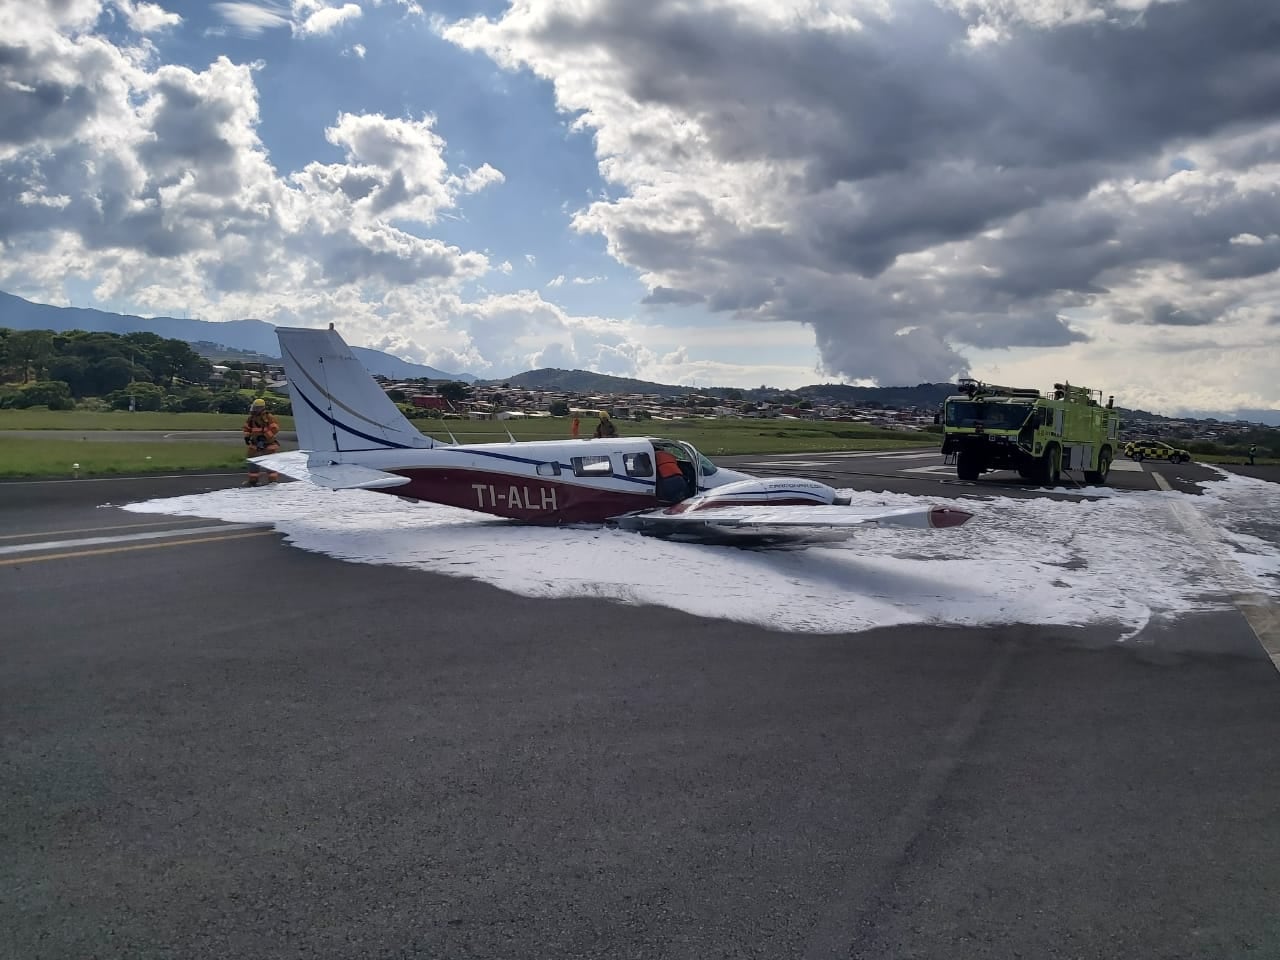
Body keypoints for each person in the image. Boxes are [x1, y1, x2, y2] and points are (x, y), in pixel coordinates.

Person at [243, 397, 280, 486]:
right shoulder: (251, 418)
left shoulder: (268, 417)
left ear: (261, 408)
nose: (254, 409)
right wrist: (247, 437)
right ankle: (253, 481)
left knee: (271, 464)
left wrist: (264, 437)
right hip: (255, 444)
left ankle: (273, 482)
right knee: (252, 462)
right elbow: (247, 428)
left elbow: (275, 429)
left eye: (256, 408)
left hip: (268, 444)